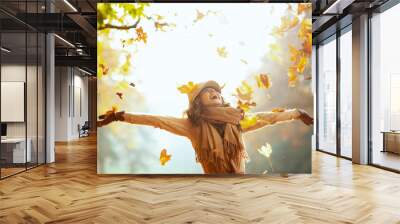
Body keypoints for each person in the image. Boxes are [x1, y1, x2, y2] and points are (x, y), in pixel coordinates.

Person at [98, 80, 313, 174]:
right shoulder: (192, 126)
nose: (215, 92)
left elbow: (268, 118)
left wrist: (296, 114)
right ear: (197, 101)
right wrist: (119, 116)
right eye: (208, 91)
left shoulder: (236, 120)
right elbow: (156, 120)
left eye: (217, 91)